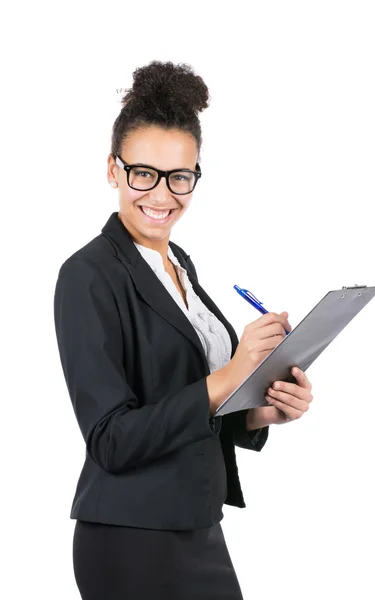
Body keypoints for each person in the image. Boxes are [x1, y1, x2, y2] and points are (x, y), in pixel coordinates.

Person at [53, 60, 314, 600]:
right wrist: (238, 368)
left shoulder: (181, 267)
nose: (162, 194)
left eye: (180, 177)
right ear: (112, 169)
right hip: (131, 540)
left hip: (197, 526)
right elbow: (112, 439)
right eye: (143, 173)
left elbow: (192, 405)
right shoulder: (87, 275)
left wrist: (266, 407)